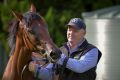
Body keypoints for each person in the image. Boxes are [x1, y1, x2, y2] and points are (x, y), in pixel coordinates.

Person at [28, 18, 102, 80]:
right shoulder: (60, 50)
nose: (71, 33)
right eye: (69, 30)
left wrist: (57, 57)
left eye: (75, 31)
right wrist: (36, 69)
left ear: (84, 33)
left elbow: (80, 67)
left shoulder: (92, 50)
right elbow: (50, 74)